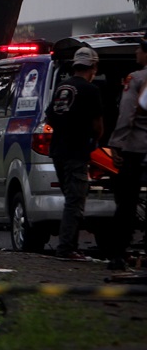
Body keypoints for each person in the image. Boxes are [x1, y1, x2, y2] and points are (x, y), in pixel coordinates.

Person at [45, 46, 104, 261]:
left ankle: (71, 246)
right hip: (76, 152)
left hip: (58, 152)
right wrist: (95, 142)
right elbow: (97, 125)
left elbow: (50, 117)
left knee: (71, 199)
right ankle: (66, 248)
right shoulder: (91, 90)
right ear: (93, 67)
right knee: (75, 201)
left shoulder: (62, 87)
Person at [107, 37, 147, 271]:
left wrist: (116, 143)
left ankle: (118, 254)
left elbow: (127, 113)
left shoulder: (136, 79)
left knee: (126, 202)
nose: (136, 52)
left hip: (136, 148)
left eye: (139, 49)